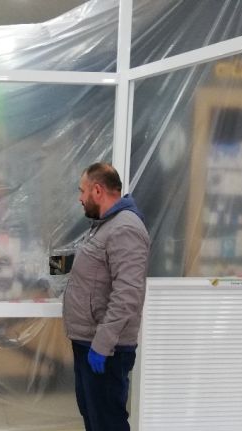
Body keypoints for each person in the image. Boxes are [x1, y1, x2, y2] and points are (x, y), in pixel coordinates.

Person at [63, 162, 149, 431]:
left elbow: (128, 294)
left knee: (107, 423)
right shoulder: (104, 226)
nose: (80, 198)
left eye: (82, 191)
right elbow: (93, 267)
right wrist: (43, 267)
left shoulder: (125, 228)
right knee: (95, 420)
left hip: (105, 350)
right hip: (89, 343)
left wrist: (102, 345)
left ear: (97, 190)